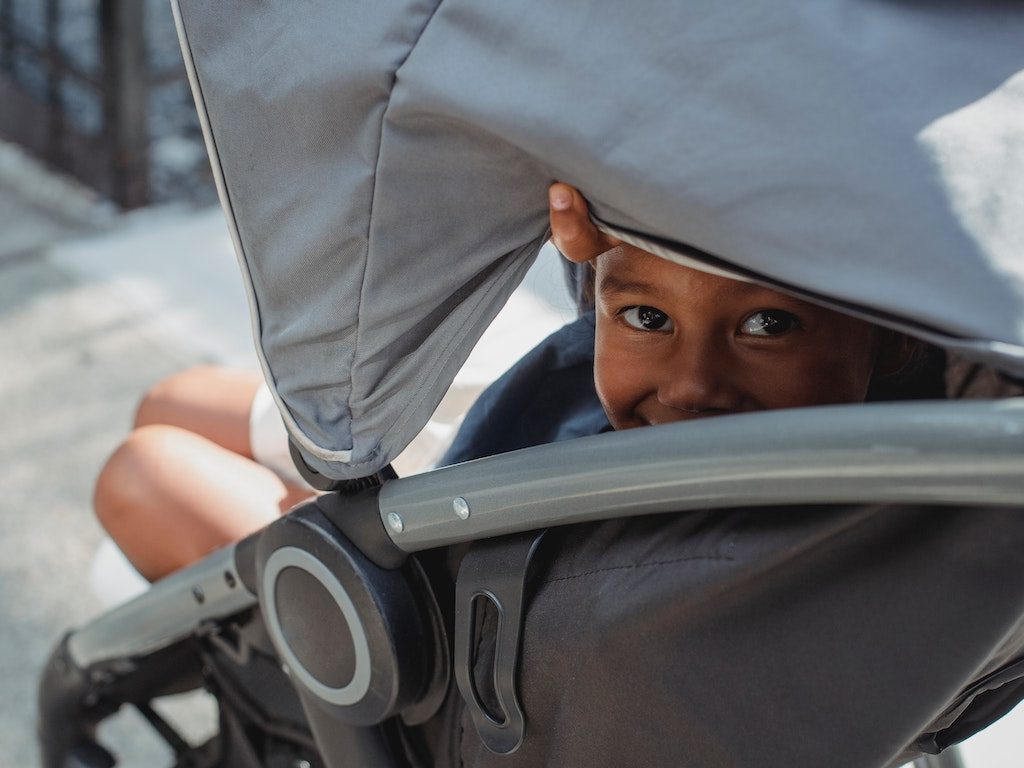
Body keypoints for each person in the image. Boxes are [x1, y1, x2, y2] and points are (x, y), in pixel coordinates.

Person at [94, 182, 918, 581]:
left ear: (891, 337)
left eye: (768, 325)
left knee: (144, 470)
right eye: (645, 319)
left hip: (435, 591)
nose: (695, 385)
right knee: (175, 395)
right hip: (524, 435)